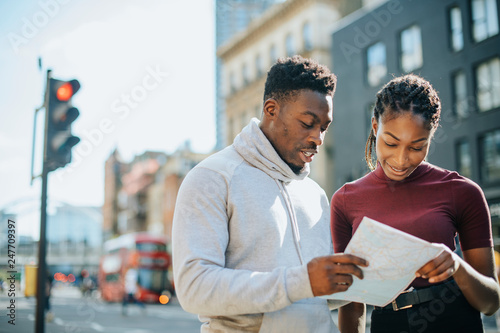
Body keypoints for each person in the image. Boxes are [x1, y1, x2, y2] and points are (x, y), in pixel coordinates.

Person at [172, 55, 368, 332]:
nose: (318, 138)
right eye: (308, 122)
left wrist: (366, 279)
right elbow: (194, 288)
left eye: (324, 127)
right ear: (271, 109)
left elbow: (313, 297)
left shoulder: (315, 194)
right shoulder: (212, 178)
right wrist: (302, 281)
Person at [331, 74, 500, 332]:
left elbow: (490, 303)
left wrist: (457, 267)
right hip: (388, 323)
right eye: (391, 143)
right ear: (375, 127)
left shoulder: (462, 192)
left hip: (453, 319)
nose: (401, 160)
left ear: (430, 137)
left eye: (417, 147)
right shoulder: (345, 200)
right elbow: (352, 303)